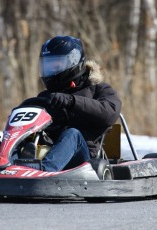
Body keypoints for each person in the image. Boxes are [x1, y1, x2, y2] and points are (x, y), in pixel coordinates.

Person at [35, 35, 122, 172]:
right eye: (48, 66)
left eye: (56, 65)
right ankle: (2, 164)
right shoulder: (46, 97)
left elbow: (109, 112)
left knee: (72, 134)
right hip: (48, 150)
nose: (51, 70)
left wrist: (71, 101)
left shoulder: (99, 89)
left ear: (73, 63)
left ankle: (45, 171)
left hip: (84, 158)